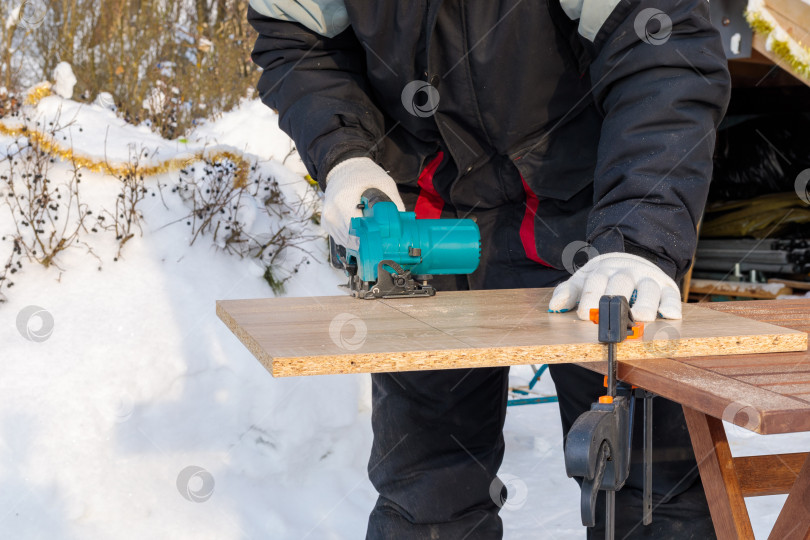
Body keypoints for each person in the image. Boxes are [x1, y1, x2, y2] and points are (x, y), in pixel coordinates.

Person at [248, 1, 730, 538]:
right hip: (425, 225)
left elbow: (663, 49)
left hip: (598, 221)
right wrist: (345, 154)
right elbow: (297, 39)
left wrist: (639, 236)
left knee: (650, 491)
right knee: (428, 495)